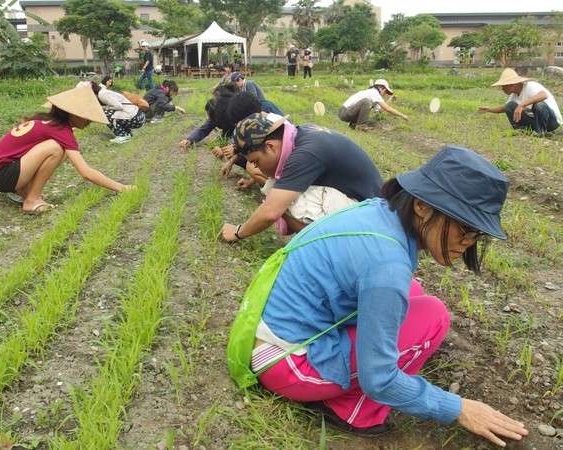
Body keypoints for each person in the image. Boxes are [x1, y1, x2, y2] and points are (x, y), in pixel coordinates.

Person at [227, 145, 529, 448]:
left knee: (414, 294)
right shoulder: (387, 266)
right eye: (464, 227)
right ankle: (353, 411)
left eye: (477, 233)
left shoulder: (378, 212)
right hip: (286, 363)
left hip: (269, 334)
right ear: (422, 206)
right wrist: (458, 408)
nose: (467, 242)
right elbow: (379, 379)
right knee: (433, 317)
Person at [220, 113, 383, 242]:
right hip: (364, 206)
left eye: (256, 161)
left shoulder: (304, 154)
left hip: (370, 223)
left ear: (270, 146)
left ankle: (332, 246)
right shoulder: (299, 135)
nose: (257, 167)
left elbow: (270, 211)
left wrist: (237, 232)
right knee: (276, 189)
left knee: (285, 200)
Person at [0, 85, 135, 214]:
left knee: (61, 151)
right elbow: (86, 172)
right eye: (87, 115)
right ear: (72, 113)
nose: (90, 120)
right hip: (2, 175)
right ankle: (31, 200)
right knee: (56, 149)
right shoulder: (60, 131)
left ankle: (26, 192)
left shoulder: (45, 121)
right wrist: (122, 188)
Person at [478, 68, 561, 135]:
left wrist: (521, 105)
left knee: (539, 105)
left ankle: (541, 132)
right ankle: (522, 130)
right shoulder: (514, 95)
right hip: (535, 121)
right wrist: (488, 109)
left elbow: (543, 95)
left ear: (512, 85)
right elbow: (504, 108)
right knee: (509, 106)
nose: (502, 89)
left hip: (551, 121)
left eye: (504, 86)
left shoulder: (530, 86)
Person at [338, 79, 409, 131]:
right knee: (366, 101)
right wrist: (402, 115)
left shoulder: (374, 96)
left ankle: (353, 126)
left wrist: (389, 100)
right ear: (380, 88)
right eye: (385, 91)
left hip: (349, 113)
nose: (385, 94)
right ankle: (362, 126)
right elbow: (388, 109)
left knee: (366, 104)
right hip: (344, 112)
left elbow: (380, 110)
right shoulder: (374, 93)